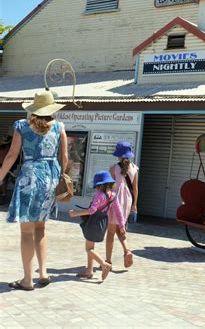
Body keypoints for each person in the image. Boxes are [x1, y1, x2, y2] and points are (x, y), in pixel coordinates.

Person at [0, 90, 68, 291]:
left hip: (30, 177)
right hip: (50, 178)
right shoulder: (59, 127)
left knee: (27, 231)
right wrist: (60, 176)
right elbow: (64, 156)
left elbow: (12, 155)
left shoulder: (22, 126)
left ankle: (27, 280)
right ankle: (44, 273)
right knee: (41, 227)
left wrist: (1, 175)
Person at [69, 170, 127, 281]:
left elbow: (92, 210)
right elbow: (119, 212)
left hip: (94, 222)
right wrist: (122, 226)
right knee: (91, 246)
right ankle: (89, 270)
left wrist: (75, 213)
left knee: (89, 249)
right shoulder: (113, 195)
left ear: (99, 185)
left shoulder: (100, 195)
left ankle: (105, 265)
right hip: (103, 222)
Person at [105, 141, 138, 269]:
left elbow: (108, 188)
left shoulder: (113, 168)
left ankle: (108, 261)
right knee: (121, 228)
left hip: (115, 201)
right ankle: (127, 250)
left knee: (111, 232)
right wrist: (134, 205)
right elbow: (135, 189)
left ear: (118, 155)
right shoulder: (135, 168)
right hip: (128, 201)